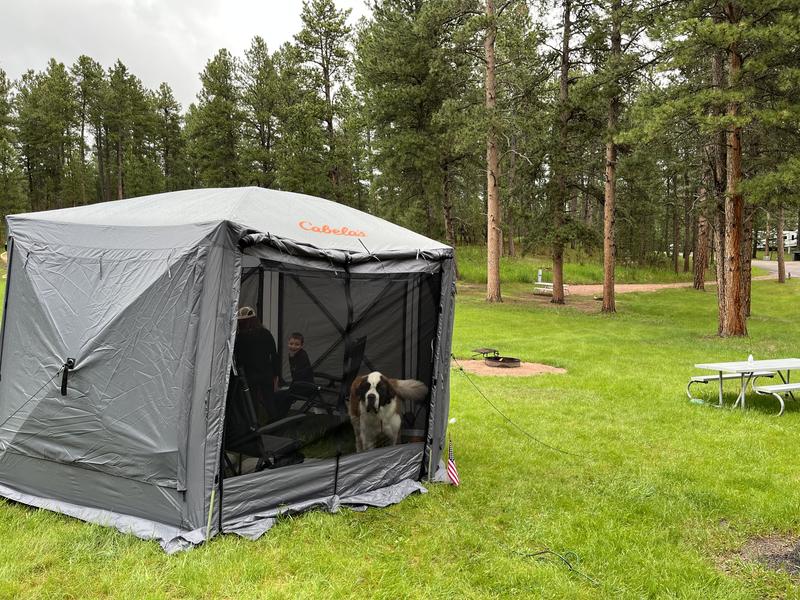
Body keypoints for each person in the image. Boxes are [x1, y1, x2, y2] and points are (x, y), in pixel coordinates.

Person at [231, 306, 291, 423]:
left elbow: (239, 359)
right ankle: (276, 425)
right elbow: (274, 355)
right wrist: (276, 374)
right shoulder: (266, 333)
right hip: (266, 373)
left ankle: (255, 426)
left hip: (250, 376)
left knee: (252, 402)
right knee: (269, 400)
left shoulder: (240, 338)